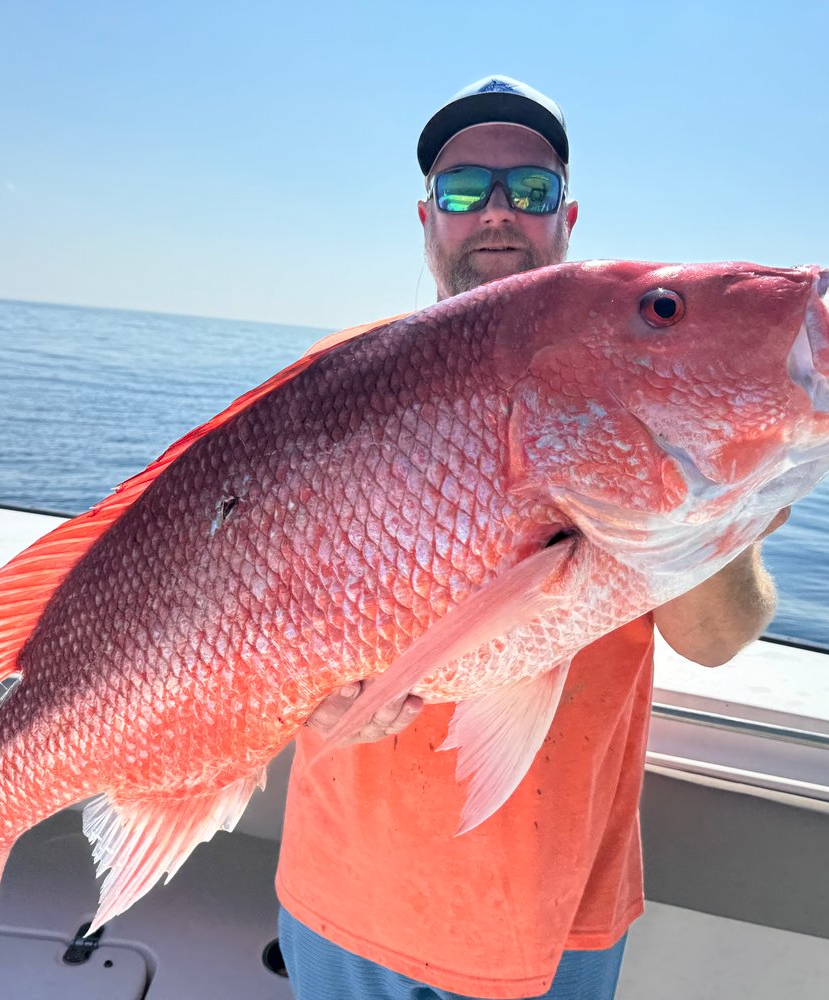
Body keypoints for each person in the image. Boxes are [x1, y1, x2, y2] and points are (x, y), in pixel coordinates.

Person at [275, 76, 786, 1000]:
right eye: (466, 189)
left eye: (531, 189)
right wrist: (297, 694)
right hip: (341, 892)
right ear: (427, 216)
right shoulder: (334, 375)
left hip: (558, 911)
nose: (498, 213)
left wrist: (717, 494)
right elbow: (243, 607)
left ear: (568, 216)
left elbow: (712, 641)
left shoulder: (639, 377)